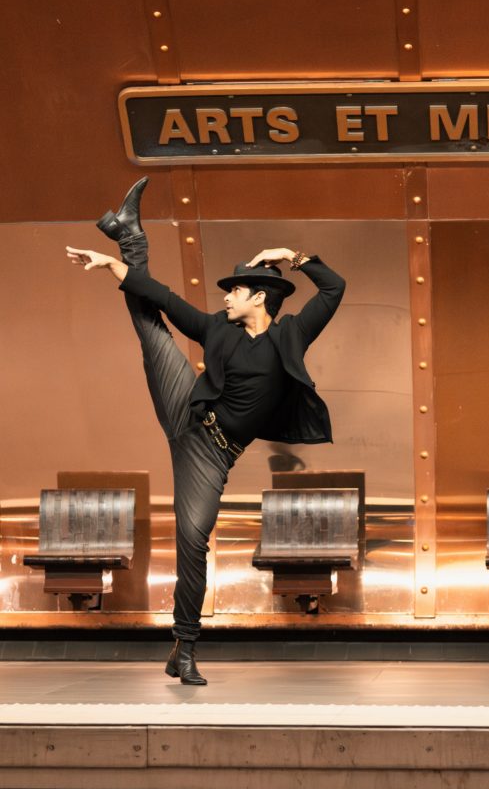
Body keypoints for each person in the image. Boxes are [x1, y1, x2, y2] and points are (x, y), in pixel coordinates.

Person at [66, 178, 345, 686]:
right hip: (187, 409)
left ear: (259, 296)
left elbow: (334, 288)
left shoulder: (291, 335)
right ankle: (130, 239)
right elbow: (165, 299)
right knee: (153, 329)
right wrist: (113, 265)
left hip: (211, 455)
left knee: (193, 542)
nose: (227, 296)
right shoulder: (219, 329)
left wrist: (291, 255)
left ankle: (184, 647)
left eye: (235, 290)